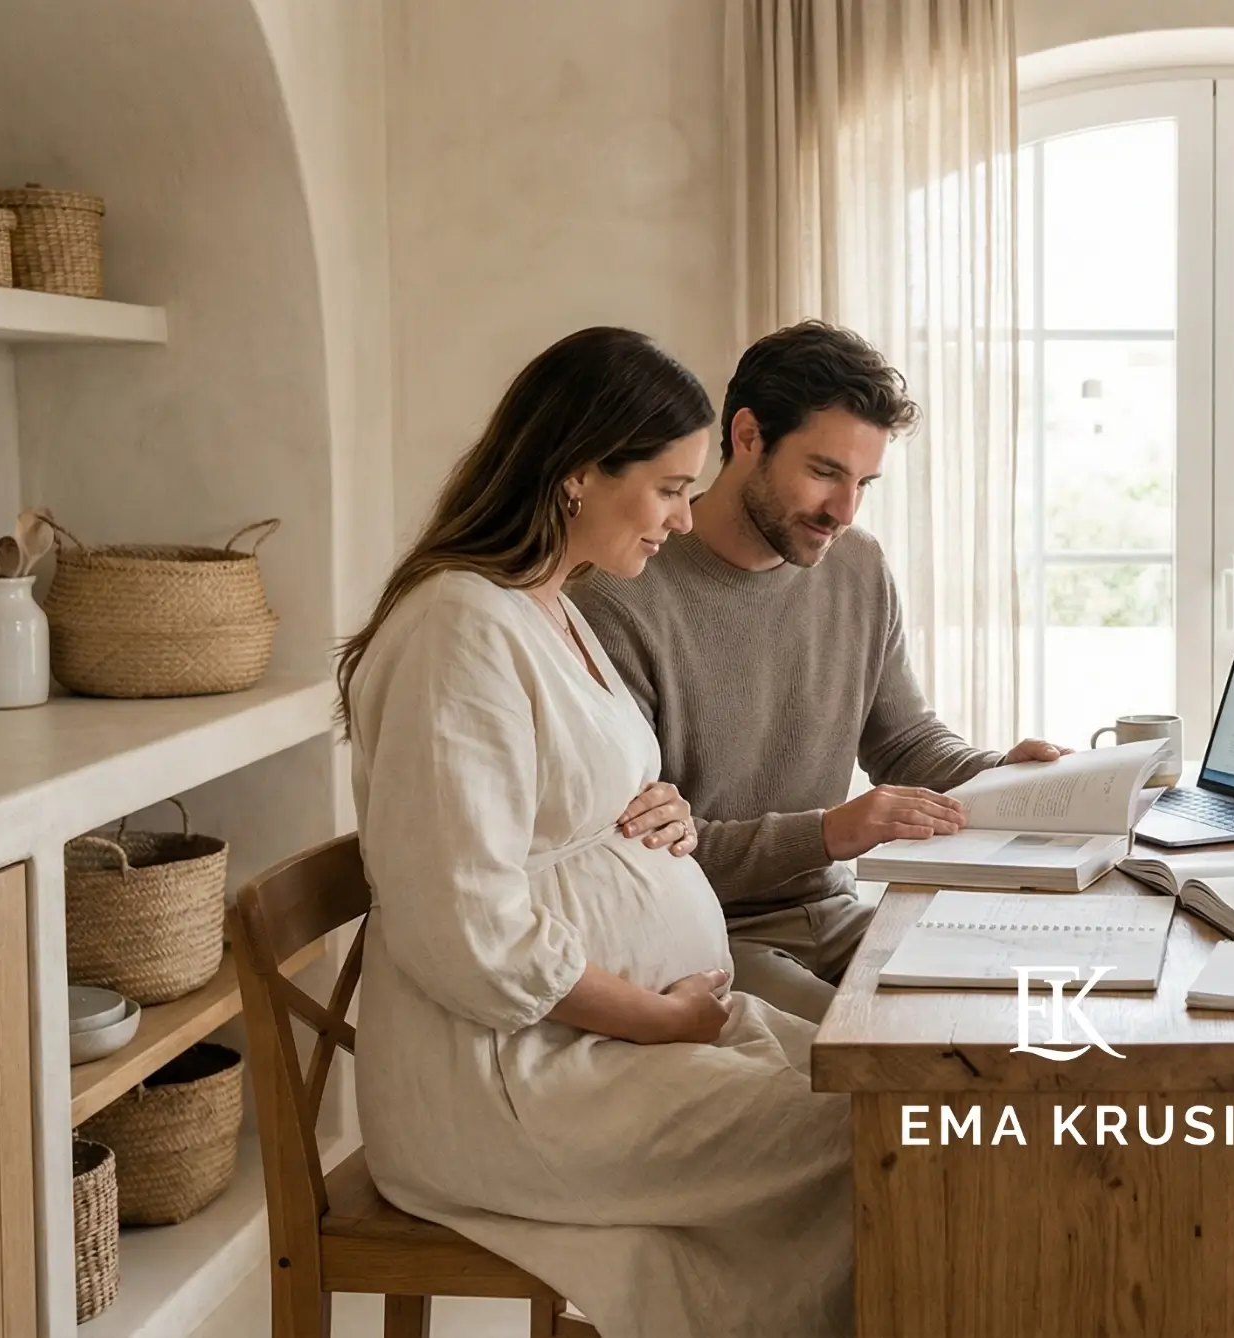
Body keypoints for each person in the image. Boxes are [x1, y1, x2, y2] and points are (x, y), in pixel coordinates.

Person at [337, 327, 851, 1337]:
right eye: (666, 487)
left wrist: (659, 809)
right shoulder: (458, 629)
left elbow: (570, 800)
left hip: (601, 1038)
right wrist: (658, 1020)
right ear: (577, 473)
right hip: (512, 1075)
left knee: (890, 1107)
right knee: (860, 1148)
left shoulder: (551, 607)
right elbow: (464, 927)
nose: (683, 516)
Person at [574, 320, 1067, 1022]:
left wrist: (1003, 773)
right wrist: (829, 832)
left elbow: (904, 743)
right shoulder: (617, 596)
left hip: (839, 914)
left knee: (1014, 1011)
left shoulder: (858, 566)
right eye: (825, 473)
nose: (843, 511)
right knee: (888, 1047)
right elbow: (638, 851)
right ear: (748, 437)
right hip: (707, 932)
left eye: (863, 481)